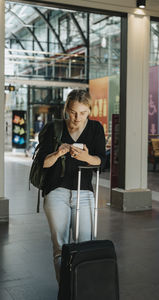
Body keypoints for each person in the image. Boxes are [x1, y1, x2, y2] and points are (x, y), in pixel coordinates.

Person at [36, 89, 106, 283]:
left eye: (83, 113)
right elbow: (43, 163)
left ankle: (81, 288)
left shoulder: (95, 129)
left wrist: (87, 157)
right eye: (74, 112)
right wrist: (58, 154)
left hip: (83, 192)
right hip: (56, 192)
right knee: (60, 246)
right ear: (67, 109)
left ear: (89, 111)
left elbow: (102, 162)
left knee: (85, 243)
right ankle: (66, 289)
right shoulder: (53, 128)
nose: (77, 117)